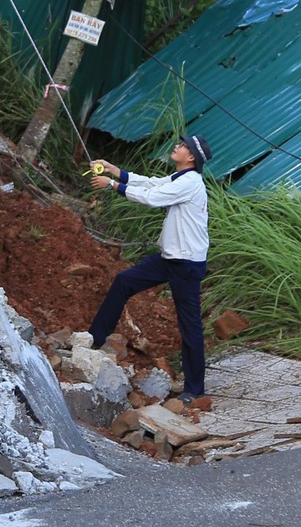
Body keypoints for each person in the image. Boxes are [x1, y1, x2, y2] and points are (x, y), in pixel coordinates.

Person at [88, 136, 215, 406]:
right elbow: (151, 183)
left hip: (187, 265)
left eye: (182, 146)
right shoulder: (180, 178)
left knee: (189, 325)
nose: (177, 147)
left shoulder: (190, 183)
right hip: (170, 259)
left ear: (191, 157)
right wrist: (115, 171)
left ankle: (196, 389)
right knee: (124, 281)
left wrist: (112, 185)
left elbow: (153, 198)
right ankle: (95, 339)